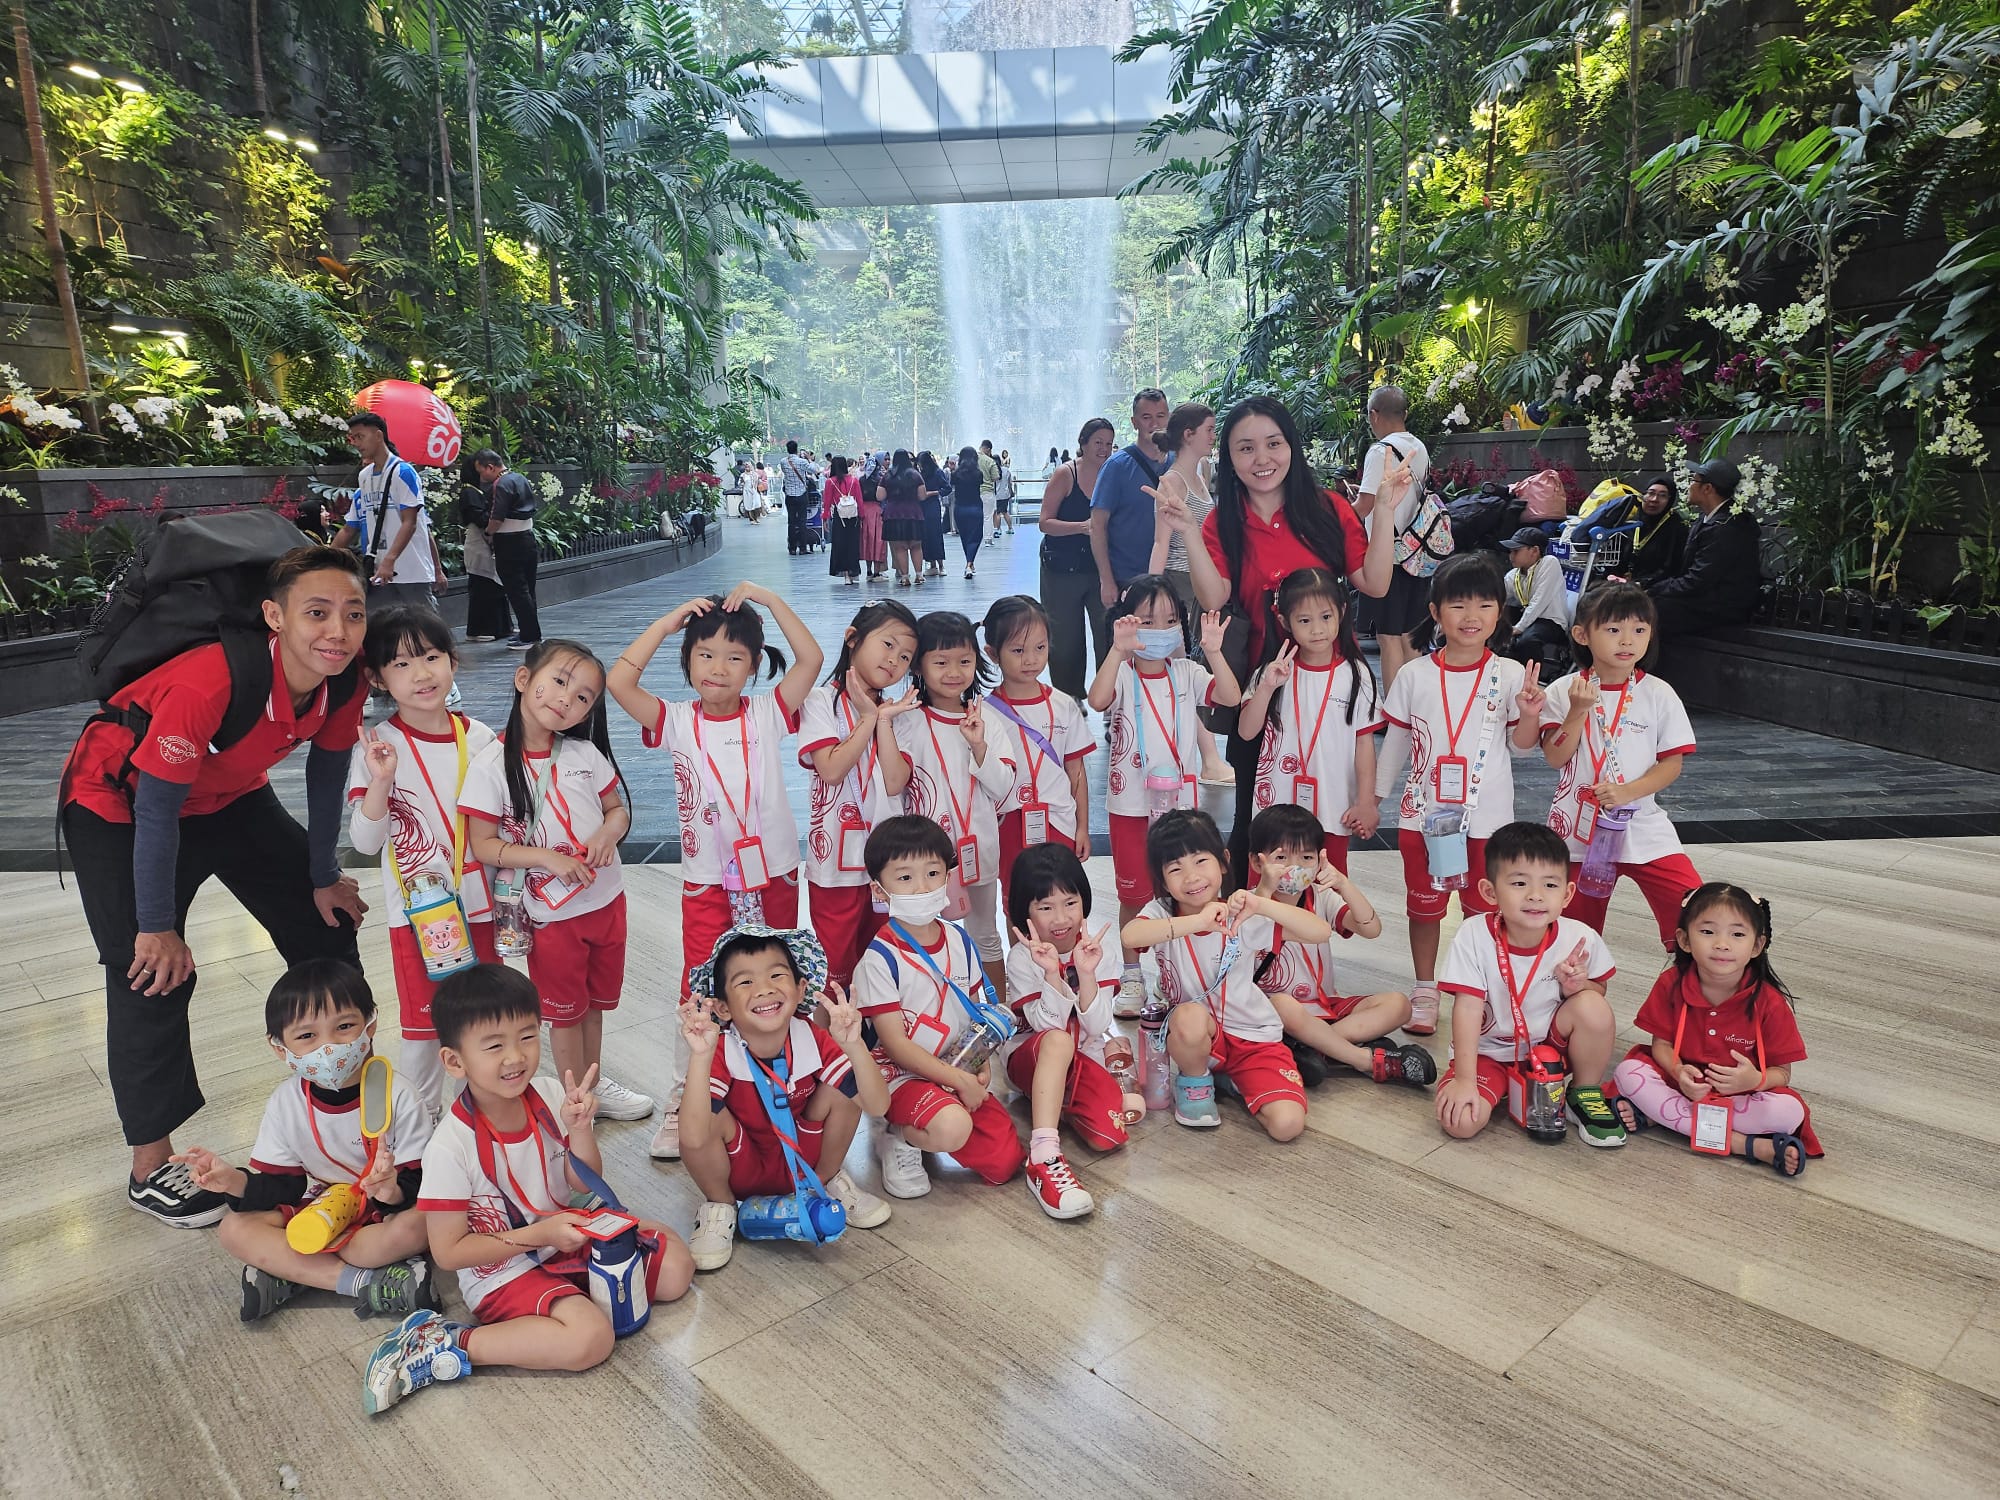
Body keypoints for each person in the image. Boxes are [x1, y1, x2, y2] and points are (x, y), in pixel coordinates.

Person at [60, 544, 373, 1226]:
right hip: (119, 803)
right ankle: (151, 1165)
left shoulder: (346, 679)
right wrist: (156, 923)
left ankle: (343, 1112)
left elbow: (327, 774)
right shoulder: (208, 681)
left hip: (231, 797)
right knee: (151, 972)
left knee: (326, 925)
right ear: (274, 617)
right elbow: (156, 810)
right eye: (316, 613)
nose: (338, 632)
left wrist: (323, 876)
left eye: (353, 614)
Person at [362, 965, 694, 1413]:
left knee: (675, 1270)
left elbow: (582, 1180)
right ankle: (448, 1341)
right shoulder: (449, 1146)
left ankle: (571, 1300)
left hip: (563, 1237)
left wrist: (580, 1131)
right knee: (589, 1340)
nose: (515, 1057)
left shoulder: (550, 1091)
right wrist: (541, 1235)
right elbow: (448, 1253)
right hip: (501, 1268)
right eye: (494, 1045)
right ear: (455, 1062)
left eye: (527, 1036)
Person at [606, 583, 822, 1159]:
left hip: (771, 872)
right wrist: (669, 619)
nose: (718, 669)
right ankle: (688, 1094)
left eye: (734, 658)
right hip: (706, 877)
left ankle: (782, 1082)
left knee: (773, 974)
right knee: (700, 980)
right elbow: (618, 682)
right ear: (687, 660)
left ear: (754, 666)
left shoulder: (770, 712)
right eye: (704, 655)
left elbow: (812, 659)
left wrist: (773, 602)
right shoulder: (675, 720)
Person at [1177, 396, 1400, 884]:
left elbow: (1376, 582)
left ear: (1291, 447)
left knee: (1323, 818)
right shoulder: (1225, 521)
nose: (1262, 460)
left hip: (1328, 685)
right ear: (1229, 458)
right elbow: (1215, 596)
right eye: (1245, 448)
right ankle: (1250, 932)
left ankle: (1311, 932)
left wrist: (1382, 511)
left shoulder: (1327, 510)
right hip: (1260, 688)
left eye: (1273, 444)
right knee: (1253, 823)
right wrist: (1189, 533)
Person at [170, 959, 439, 1323]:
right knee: (234, 1229)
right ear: (280, 1048)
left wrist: (391, 1191)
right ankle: (364, 1283)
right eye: (307, 1036)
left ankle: (291, 1274)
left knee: (418, 1224)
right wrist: (234, 1181)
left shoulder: (398, 1094)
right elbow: (285, 1185)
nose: (328, 1047)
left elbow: (419, 1181)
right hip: (324, 1204)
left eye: (344, 1027)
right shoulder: (286, 1102)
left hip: (382, 1215)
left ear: (370, 1025)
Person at [460, 639, 654, 1122]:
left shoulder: (585, 753)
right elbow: (482, 844)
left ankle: (593, 1083)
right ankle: (575, 1102)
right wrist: (546, 858)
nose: (567, 699)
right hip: (552, 916)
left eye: (584, 696)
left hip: (606, 901)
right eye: (561, 681)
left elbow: (617, 810)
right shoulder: (490, 765)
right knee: (564, 1012)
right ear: (524, 679)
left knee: (595, 1004)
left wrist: (609, 833)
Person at [1373, 554, 1545, 1036]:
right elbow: (1398, 743)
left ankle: (1482, 988)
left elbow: (1523, 747)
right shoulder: (1414, 675)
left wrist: (1530, 713)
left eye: (1484, 605)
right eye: (1458, 605)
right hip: (1422, 819)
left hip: (1487, 822)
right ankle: (1425, 988)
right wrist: (1375, 799)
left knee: (1485, 911)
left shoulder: (1510, 675)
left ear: (1498, 614)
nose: (1471, 616)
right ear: (1435, 613)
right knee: (1423, 909)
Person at [347, 607, 501, 1117]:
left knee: (481, 1021)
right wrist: (382, 782)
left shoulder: (480, 738)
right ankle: (415, 1133)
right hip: (420, 916)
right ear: (376, 678)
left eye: (432, 658)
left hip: (481, 907)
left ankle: (473, 1121)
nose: (422, 674)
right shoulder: (375, 746)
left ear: (452, 660)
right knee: (422, 1031)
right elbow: (365, 842)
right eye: (402, 664)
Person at [677, 926, 893, 1271]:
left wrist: (855, 1046)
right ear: (722, 1007)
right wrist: (700, 1059)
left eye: (777, 975)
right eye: (745, 982)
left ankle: (827, 1180)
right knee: (700, 1110)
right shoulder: (719, 1049)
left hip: (804, 1162)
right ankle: (719, 1206)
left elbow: (879, 1106)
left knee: (844, 1089)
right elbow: (691, 1137)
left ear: (800, 988)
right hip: (740, 1166)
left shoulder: (812, 1036)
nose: (764, 989)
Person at [852, 816, 1028, 1200]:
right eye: (905, 878)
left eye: (933, 872)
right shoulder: (879, 959)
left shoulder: (958, 939)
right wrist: (960, 1080)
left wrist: (977, 1067)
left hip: (956, 1063)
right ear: (879, 890)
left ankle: (932, 1116)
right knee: (952, 1127)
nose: (922, 886)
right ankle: (897, 1136)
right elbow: (895, 1045)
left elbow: (973, 1013)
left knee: (1004, 1161)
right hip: (901, 1075)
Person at [1121, 809, 1325, 1138]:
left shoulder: (1241, 912)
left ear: (1224, 861)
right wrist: (1198, 923)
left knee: (1287, 1126)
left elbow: (1319, 932)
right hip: (1200, 1036)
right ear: (1161, 878)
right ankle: (1195, 1082)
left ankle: (1230, 1082)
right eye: (1175, 868)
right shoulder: (1161, 912)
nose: (1191, 877)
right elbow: (1131, 936)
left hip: (1255, 1037)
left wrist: (1263, 903)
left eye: (1201, 861)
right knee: (1187, 1016)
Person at [1090, 578, 1242, 1016]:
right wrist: (1118, 650)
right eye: (1147, 621)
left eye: (1171, 620)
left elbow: (1230, 697)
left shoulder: (1187, 673)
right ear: (1125, 623)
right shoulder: (1120, 672)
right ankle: (1133, 978)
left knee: (1188, 890)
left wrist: (1213, 651)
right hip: (1130, 806)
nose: (1160, 630)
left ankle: (1193, 974)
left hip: (1181, 807)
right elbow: (1098, 699)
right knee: (1134, 895)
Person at [1432, 822, 1628, 1146]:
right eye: (1520, 882)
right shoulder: (1473, 935)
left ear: (1566, 894)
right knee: (1461, 1123)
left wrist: (1577, 987)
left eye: (1550, 885)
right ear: (1490, 892)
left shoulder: (1579, 936)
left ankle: (1582, 1093)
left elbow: (1598, 994)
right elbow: (1466, 1008)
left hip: (1549, 1050)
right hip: (1490, 1055)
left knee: (1593, 1007)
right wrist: (1465, 1080)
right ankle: (1487, 1084)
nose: (1536, 896)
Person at [1608, 882, 1819, 1176]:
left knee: (1787, 1112)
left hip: (1740, 1094)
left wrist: (1754, 1080)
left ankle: (1665, 1118)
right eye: (1707, 932)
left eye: (1737, 934)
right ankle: (1750, 1146)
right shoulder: (1671, 983)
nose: (1722, 943)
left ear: (1757, 945)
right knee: (1627, 1072)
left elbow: (1781, 1073)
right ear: (1684, 939)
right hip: (1682, 1086)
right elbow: (1662, 1046)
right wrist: (1680, 1072)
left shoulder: (1769, 1002)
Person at [1539, 584, 1701, 953]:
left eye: (1639, 630)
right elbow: (1555, 757)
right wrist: (1577, 711)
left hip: (1642, 825)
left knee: (1693, 912)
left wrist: (1628, 792)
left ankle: (1692, 994)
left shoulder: (1658, 693)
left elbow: (1671, 764)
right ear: (1582, 634)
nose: (1627, 640)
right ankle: (1577, 1003)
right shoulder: (1564, 690)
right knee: (1572, 939)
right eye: (1613, 630)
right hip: (1577, 831)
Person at [1244, 806, 1431, 1088]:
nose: (1295, 868)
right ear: (1257, 863)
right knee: (1284, 1005)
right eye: (1281, 858)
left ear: (1320, 861)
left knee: (1399, 1005)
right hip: (1272, 1014)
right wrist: (1265, 894)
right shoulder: (1247, 903)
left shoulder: (1322, 897)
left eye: (1306, 858)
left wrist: (1344, 885)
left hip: (1326, 1007)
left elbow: (1371, 928)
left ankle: (1315, 1050)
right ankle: (1359, 1057)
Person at [1004, 845, 1132, 1219]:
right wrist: (1050, 973)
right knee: (1058, 1040)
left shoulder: (1097, 950)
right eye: (1044, 907)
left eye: (1070, 902)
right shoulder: (1022, 956)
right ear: (1024, 912)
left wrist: (1087, 974)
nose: (1061, 918)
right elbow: (1049, 1028)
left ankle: (1056, 1100)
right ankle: (1043, 1154)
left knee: (1109, 1136)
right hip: (1031, 1055)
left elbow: (1096, 1026)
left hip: (1082, 1056)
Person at [895, 611, 1017, 1000]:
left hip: (977, 846)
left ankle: (1000, 1010)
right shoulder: (907, 722)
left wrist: (978, 746)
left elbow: (1002, 788)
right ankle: (935, 1008)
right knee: (925, 932)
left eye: (964, 661)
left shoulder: (987, 720)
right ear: (919, 665)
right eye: (941, 662)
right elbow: (894, 788)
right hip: (924, 858)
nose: (954, 672)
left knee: (985, 933)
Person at [800, 600, 921, 988]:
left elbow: (894, 782)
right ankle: (837, 1044)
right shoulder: (820, 701)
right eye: (887, 645)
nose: (894, 661)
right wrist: (868, 719)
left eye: (905, 656)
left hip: (886, 863)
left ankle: (880, 1042)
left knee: (884, 963)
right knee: (835, 967)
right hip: (835, 863)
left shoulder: (898, 710)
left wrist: (882, 718)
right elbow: (832, 769)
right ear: (852, 638)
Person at [1235, 567, 1384, 872]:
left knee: (1326, 892)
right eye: (1304, 620)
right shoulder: (1273, 672)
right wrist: (1266, 688)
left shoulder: (1357, 676)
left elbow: (1364, 744)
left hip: (1332, 807)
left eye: (1325, 617)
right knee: (1271, 891)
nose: (1317, 629)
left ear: (1342, 612)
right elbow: (1247, 732)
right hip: (1275, 808)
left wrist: (1367, 801)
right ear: (1284, 622)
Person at [1147, 402, 1233, 787]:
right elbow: (1160, 543)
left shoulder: (1201, 473)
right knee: (1186, 672)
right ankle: (1209, 758)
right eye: (1209, 429)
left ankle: (1207, 756)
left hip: (1200, 583)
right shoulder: (1172, 482)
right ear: (1189, 434)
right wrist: (1150, 597)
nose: (1214, 436)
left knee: (1193, 671)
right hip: (1178, 584)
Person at [981, 595, 1093, 890]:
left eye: (1040, 648)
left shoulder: (1063, 704)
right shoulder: (983, 712)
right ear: (992, 652)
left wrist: (1082, 826)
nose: (1030, 659)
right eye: (1018, 650)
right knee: (1016, 900)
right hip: (1007, 824)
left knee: (1063, 895)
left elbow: (1076, 772)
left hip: (1059, 820)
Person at [1351, 386, 1432, 692]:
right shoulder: (1419, 448)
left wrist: (1336, 518)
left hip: (1387, 555)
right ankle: (1413, 707)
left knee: (1387, 636)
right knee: (1411, 635)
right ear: (1405, 414)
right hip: (1416, 553)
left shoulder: (1379, 451)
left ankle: (1394, 710)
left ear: (1374, 415)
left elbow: (1366, 504)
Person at [1039, 417, 1118, 698]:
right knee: (1065, 638)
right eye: (1098, 442)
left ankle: (1109, 695)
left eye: (1109, 444)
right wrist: (1083, 527)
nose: (1104, 449)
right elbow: (1045, 522)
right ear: (1083, 443)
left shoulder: (1114, 474)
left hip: (1100, 569)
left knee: (1107, 633)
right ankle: (1068, 698)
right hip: (1062, 570)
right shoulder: (1065, 474)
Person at [337, 414, 442, 617]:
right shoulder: (364, 477)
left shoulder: (403, 472)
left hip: (410, 569)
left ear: (378, 436)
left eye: (360, 436)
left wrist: (390, 560)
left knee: (425, 627)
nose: (357, 443)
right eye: (353, 438)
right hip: (377, 568)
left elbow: (410, 522)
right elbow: (350, 527)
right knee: (379, 627)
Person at [1647, 458, 1761, 636]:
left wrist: (1652, 590)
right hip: (1702, 600)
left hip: (1719, 609)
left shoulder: (1727, 527)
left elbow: (1697, 581)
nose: (1689, 486)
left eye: (1693, 480)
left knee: (1645, 610)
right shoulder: (1709, 518)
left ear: (1707, 488)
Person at [1090, 388, 1174, 610]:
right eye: (1146, 418)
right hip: (1127, 580)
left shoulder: (1178, 462)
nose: (1154, 424)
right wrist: (1106, 581)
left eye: (1160, 416)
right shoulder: (1116, 467)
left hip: (1173, 577)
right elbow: (1097, 526)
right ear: (1134, 422)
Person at [472, 449, 542, 650]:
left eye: (481, 471)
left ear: (490, 467)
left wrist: (488, 533)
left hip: (509, 542)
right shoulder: (519, 478)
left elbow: (497, 516)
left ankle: (529, 635)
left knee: (517, 590)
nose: (481, 476)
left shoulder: (500, 484)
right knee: (528, 589)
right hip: (527, 538)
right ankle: (531, 630)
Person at [1585, 473, 1688, 584]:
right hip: (1618, 585)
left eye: (1662, 495)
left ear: (1670, 501)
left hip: (1654, 590)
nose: (1654, 499)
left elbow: (1672, 569)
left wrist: (1641, 584)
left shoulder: (1676, 528)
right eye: (1651, 493)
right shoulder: (1629, 522)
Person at [1500, 525, 1572, 667]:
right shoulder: (1513, 574)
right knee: (1499, 637)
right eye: (1510, 551)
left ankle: (1531, 679)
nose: (1511, 555)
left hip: (1551, 622)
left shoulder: (1549, 563)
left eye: (1516, 551)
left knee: (1528, 641)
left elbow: (1539, 601)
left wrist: (1519, 627)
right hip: (1528, 619)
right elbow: (1498, 596)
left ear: (1534, 551)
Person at [456, 457, 510, 643]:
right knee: (481, 587)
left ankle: (501, 627)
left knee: (494, 586)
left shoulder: (479, 490)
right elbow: (478, 517)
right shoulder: (469, 492)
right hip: (479, 542)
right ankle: (479, 629)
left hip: (486, 542)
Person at [879, 449, 924, 588]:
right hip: (913, 513)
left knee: (900, 548)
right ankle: (919, 575)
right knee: (916, 546)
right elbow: (922, 496)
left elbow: (879, 496)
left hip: (893, 514)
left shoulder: (887, 476)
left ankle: (904, 577)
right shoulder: (916, 475)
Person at [824, 455, 863, 584]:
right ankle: (853, 571)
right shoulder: (854, 480)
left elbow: (827, 502)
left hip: (839, 518)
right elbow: (859, 500)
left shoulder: (830, 482)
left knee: (840, 545)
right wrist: (861, 516)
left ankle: (846, 574)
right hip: (853, 517)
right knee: (852, 544)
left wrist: (825, 519)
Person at [953, 445, 986, 578]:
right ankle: (969, 563)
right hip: (975, 507)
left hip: (960, 508)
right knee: (975, 537)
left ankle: (969, 563)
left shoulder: (956, 473)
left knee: (965, 537)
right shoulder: (978, 474)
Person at [781, 439, 817, 556]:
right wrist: (809, 458)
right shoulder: (802, 462)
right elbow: (814, 470)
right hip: (801, 495)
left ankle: (792, 548)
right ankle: (802, 547)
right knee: (802, 522)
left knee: (791, 522)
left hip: (789, 495)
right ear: (796, 449)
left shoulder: (783, 462)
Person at [919, 450, 950, 577]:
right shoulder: (920, 474)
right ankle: (931, 564)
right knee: (925, 535)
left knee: (935, 534)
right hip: (921, 506)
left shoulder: (937, 472)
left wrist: (932, 493)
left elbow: (946, 488)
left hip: (932, 505)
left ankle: (941, 565)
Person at [992, 447, 1016, 538]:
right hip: (1005, 494)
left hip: (997, 495)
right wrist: (1011, 492)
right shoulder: (1006, 470)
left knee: (998, 513)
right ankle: (1010, 528)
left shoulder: (994, 471)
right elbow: (1010, 483)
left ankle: (998, 530)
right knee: (1005, 512)